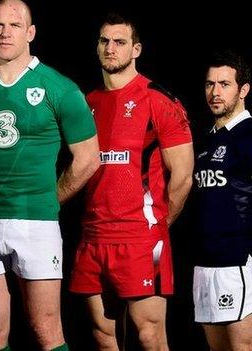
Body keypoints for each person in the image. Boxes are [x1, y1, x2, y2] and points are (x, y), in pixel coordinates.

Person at [0, 1, 100, 350]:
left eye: (14, 25)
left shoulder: (59, 87)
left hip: (37, 222)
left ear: (30, 32)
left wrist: (51, 199)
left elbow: (88, 159)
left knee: (45, 330)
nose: (5, 32)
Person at [68, 12, 194, 350]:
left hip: (140, 238)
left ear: (136, 49)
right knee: (103, 335)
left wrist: (157, 226)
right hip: (93, 236)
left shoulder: (158, 100)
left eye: (120, 42)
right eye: (104, 41)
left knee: (150, 336)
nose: (111, 48)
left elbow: (183, 175)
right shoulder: (86, 103)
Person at [192, 50, 252, 351]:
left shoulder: (248, 135)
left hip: (237, 261)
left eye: (225, 84)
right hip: (204, 264)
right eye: (209, 84)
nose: (215, 92)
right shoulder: (207, 139)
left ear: (243, 90)